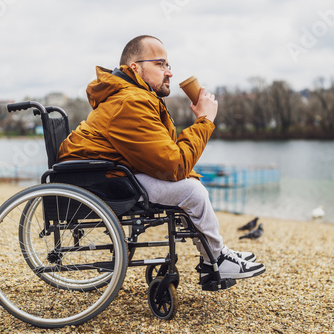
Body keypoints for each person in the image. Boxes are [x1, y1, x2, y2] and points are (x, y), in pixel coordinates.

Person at [57, 35, 265, 280]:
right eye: (160, 64)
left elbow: (164, 156)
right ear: (135, 67)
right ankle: (216, 259)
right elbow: (174, 165)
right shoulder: (130, 102)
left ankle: (217, 254)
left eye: (168, 65)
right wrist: (205, 121)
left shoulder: (135, 97)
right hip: (103, 180)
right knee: (192, 191)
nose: (169, 73)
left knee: (190, 184)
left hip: (107, 173)